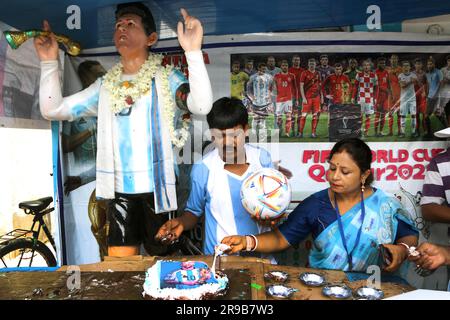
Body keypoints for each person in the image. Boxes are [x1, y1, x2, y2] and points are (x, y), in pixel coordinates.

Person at [34, 2, 213, 257]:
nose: (122, 29)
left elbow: (202, 105)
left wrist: (193, 52)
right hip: (119, 193)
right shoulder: (104, 86)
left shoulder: (167, 78)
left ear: (151, 38)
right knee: (120, 272)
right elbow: (53, 110)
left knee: (161, 267)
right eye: (119, 25)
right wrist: (49, 62)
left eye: (131, 24)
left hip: (158, 193)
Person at [222, 138, 418, 273]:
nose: (334, 176)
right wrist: (246, 241)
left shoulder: (386, 205)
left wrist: (402, 249)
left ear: (365, 175)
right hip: (325, 290)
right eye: (332, 168)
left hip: (376, 288)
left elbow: (409, 235)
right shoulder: (315, 204)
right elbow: (281, 238)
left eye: (345, 171)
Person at [155, 97, 277, 255]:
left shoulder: (262, 160)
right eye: (221, 135)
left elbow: (275, 206)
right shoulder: (203, 169)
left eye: (234, 135)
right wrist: (180, 223)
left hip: (262, 259)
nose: (227, 142)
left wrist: (273, 217)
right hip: (220, 261)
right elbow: (193, 212)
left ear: (246, 130)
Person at [246, 62, 274, 142]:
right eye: (262, 69)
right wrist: (251, 97)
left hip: (264, 102)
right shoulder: (253, 77)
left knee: (263, 120)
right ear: (258, 68)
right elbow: (248, 88)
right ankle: (253, 137)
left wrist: (269, 96)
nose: (263, 70)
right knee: (255, 119)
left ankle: (262, 138)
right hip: (256, 102)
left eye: (265, 69)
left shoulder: (268, 77)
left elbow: (271, 87)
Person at [352, 60, 377, 138]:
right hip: (361, 98)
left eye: (368, 65)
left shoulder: (374, 75)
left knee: (368, 116)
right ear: (362, 67)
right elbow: (355, 87)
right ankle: (359, 131)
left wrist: (375, 98)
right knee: (360, 116)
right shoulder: (359, 75)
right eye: (365, 65)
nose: (366, 67)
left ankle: (366, 133)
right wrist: (353, 96)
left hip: (370, 98)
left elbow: (376, 88)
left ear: (370, 66)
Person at [299, 58, 323, 138]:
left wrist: (322, 96)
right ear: (308, 65)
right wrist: (303, 97)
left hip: (316, 97)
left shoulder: (317, 73)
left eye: (313, 64)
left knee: (315, 115)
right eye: (310, 64)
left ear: (315, 65)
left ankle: (313, 133)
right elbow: (301, 86)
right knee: (303, 115)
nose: (312, 65)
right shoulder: (304, 73)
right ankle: (300, 133)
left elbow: (320, 86)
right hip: (307, 97)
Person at [273, 60, 297, 137]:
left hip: (288, 100)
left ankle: (287, 133)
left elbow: (295, 88)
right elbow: (273, 87)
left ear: (288, 67)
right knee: (279, 118)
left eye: (286, 65)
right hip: (279, 100)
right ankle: (280, 130)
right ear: (281, 67)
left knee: (288, 116)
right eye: (283, 65)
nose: (284, 67)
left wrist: (296, 99)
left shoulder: (292, 76)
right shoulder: (276, 76)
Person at [425, 57, 447, 136]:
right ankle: (429, 132)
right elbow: (429, 85)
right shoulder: (427, 74)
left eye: (431, 64)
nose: (429, 65)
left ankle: (429, 133)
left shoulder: (438, 72)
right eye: (428, 64)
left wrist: (437, 94)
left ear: (434, 64)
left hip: (437, 97)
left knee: (429, 115)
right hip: (430, 97)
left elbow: (442, 83)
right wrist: (427, 94)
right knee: (436, 115)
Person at [398, 60, 418, 138]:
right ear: (402, 67)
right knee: (403, 115)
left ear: (410, 67)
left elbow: (416, 83)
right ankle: (402, 132)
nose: (406, 67)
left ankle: (413, 132)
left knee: (413, 115)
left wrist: (414, 81)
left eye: (407, 65)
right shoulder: (400, 75)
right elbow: (402, 85)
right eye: (404, 66)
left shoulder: (414, 75)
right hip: (403, 99)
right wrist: (410, 81)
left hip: (412, 99)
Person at [374, 57, 391, 137]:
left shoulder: (386, 72)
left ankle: (380, 132)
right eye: (381, 63)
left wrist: (390, 93)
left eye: (384, 63)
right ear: (378, 64)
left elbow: (388, 83)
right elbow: (377, 85)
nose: (382, 64)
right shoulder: (375, 73)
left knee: (383, 115)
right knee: (377, 115)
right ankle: (375, 132)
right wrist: (386, 89)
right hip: (378, 96)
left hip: (385, 97)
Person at [387, 54, 402, 136]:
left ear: (397, 60)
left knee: (399, 113)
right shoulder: (388, 70)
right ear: (390, 60)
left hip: (399, 94)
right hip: (391, 94)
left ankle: (399, 131)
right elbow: (387, 83)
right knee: (391, 113)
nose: (393, 60)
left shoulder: (401, 69)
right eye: (392, 59)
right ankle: (390, 131)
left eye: (395, 59)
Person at [412, 58, 428, 137]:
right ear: (414, 65)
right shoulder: (411, 73)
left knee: (424, 114)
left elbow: (426, 85)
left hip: (422, 96)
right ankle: (417, 130)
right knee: (416, 114)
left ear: (421, 65)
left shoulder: (424, 74)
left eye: (419, 64)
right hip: (414, 96)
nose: (418, 65)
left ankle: (425, 130)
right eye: (416, 64)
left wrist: (425, 93)